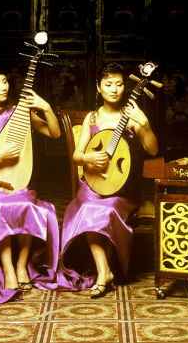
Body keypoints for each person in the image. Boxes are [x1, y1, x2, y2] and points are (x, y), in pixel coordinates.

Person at [56, 62, 158, 298]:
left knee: (106, 209)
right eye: (108, 84)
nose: (114, 89)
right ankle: (105, 272)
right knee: (89, 207)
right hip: (92, 185)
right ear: (98, 87)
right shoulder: (92, 118)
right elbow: (77, 156)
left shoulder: (132, 118)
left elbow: (153, 150)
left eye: (119, 84)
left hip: (123, 188)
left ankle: (104, 273)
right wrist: (88, 158)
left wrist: (144, 122)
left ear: (125, 86)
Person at [0, 64, 61, 304]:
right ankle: (8, 268)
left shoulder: (20, 114)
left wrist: (45, 107)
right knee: (0, 206)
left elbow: (54, 133)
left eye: (5, 81)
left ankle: (21, 264)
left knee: (27, 203)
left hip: (19, 180)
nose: (3, 87)